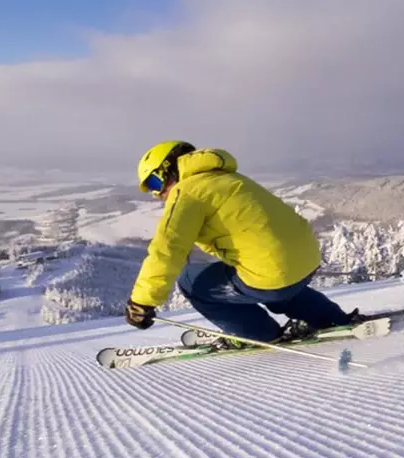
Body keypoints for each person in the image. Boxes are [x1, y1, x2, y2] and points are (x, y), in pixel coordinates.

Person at [124, 141, 358, 349]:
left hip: (273, 274)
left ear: (170, 169)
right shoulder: (229, 178)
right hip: (307, 261)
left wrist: (141, 302)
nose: (158, 194)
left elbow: (166, 250)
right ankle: (331, 318)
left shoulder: (187, 193)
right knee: (269, 275)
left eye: (155, 182)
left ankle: (257, 334)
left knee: (190, 281)